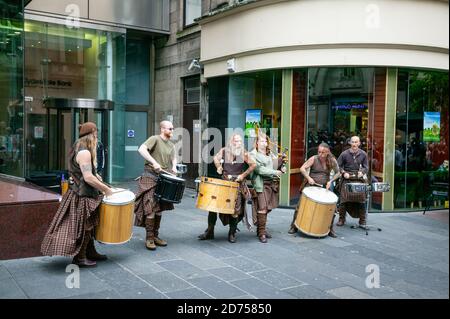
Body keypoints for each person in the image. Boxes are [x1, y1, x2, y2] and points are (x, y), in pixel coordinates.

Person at [41, 122, 113, 267]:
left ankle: (90, 252)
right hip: (83, 195)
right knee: (86, 226)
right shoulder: (85, 151)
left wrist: (97, 176)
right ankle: (80, 258)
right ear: (91, 134)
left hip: (80, 192)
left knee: (90, 224)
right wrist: (106, 189)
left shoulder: (77, 147)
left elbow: (85, 173)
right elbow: (87, 177)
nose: (97, 137)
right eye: (96, 134)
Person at [198, 134, 256, 243]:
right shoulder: (224, 150)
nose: (237, 143)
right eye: (235, 141)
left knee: (235, 210)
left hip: (236, 184)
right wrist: (219, 167)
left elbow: (253, 164)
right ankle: (210, 231)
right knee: (213, 207)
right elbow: (215, 158)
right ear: (231, 142)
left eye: (239, 141)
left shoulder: (243, 152)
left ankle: (232, 233)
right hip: (224, 183)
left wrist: (243, 176)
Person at [134, 120, 178, 251]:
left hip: (164, 177)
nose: (172, 131)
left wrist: (174, 167)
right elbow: (141, 149)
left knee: (159, 208)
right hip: (151, 176)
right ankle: (149, 238)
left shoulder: (171, 144)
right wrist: (154, 162)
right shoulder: (155, 139)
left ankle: (155, 236)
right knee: (151, 208)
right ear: (163, 129)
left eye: (173, 128)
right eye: (170, 128)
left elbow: (174, 158)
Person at [288, 143, 341, 237]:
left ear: (328, 152)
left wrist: (331, 181)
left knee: (331, 209)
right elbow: (302, 168)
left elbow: (338, 173)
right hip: (311, 186)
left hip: (324, 187)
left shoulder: (332, 160)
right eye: (319, 152)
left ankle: (330, 229)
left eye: (323, 152)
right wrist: (308, 178)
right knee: (300, 206)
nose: (320, 154)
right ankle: (294, 226)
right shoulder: (314, 158)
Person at [249, 132, 286, 243]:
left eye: (265, 141)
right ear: (256, 143)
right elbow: (259, 170)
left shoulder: (270, 154)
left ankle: (262, 229)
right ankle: (261, 233)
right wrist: (275, 172)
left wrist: (282, 165)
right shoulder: (252, 155)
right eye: (261, 141)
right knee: (263, 208)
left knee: (268, 207)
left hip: (271, 184)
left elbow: (274, 165)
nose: (264, 143)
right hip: (261, 184)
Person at [336, 136, 369, 226]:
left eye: (356, 142)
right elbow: (338, 166)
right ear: (350, 143)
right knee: (343, 199)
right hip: (346, 178)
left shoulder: (363, 154)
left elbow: (366, 167)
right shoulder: (344, 154)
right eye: (353, 142)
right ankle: (341, 219)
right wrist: (343, 173)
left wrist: (362, 172)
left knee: (362, 198)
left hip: (358, 178)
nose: (354, 144)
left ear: (359, 143)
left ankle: (362, 220)